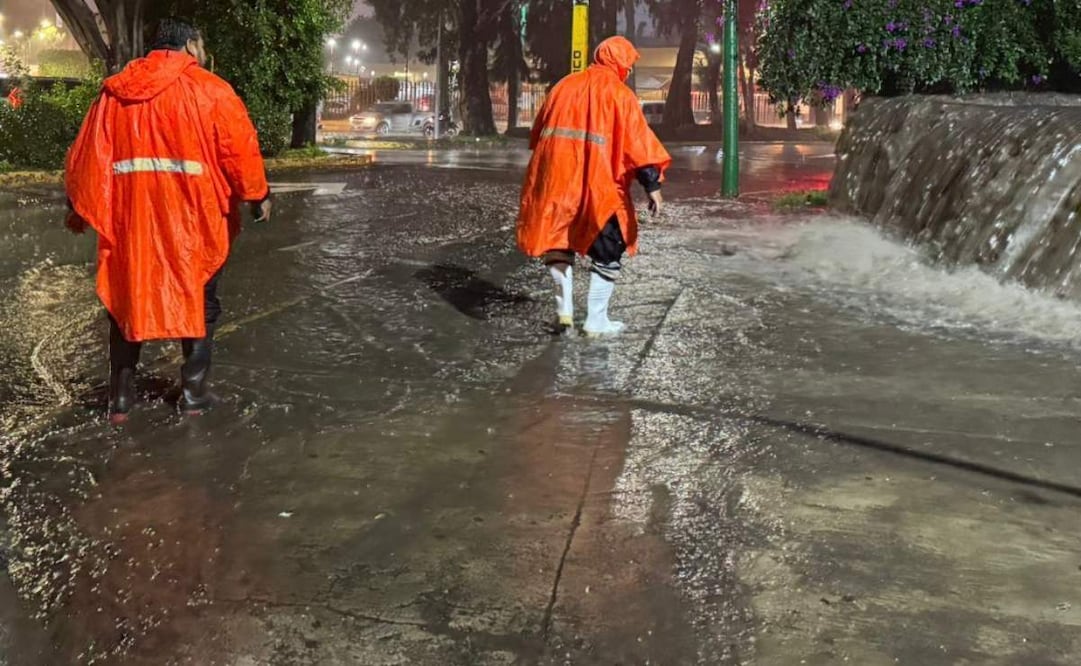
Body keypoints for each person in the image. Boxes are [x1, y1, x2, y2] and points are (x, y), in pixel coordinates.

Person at [65, 18, 271, 423]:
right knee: (199, 299)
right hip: (195, 221)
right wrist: (258, 195)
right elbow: (239, 151)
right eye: (202, 43)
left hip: (131, 221)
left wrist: (77, 207)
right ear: (191, 45)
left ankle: (120, 401)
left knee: (126, 300)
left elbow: (88, 156)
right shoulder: (211, 90)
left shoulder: (114, 94)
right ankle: (194, 394)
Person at [517, 35, 671, 337]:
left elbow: (537, 135)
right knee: (608, 249)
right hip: (598, 187)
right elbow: (637, 145)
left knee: (558, 242)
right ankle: (596, 320)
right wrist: (652, 186)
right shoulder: (620, 94)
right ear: (620, 63)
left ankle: (564, 313)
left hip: (556, 181)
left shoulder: (563, 86)